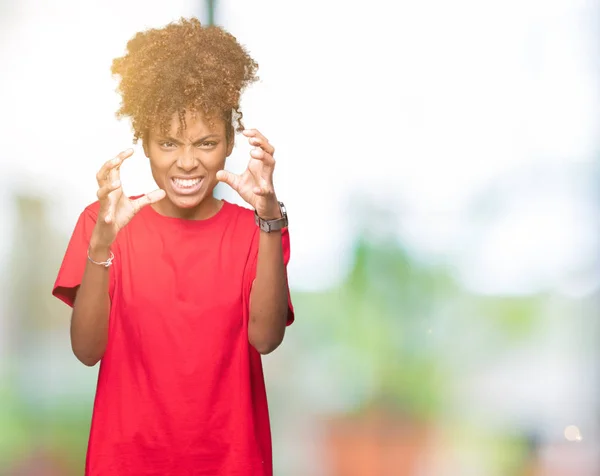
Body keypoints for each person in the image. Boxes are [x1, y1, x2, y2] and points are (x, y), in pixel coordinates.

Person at [52, 18, 294, 476]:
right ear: (143, 143)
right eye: (168, 142)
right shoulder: (104, 222)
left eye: (206, 143)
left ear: (228, 147)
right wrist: (102, 244)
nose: (187, 161)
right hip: (124, 462)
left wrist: (269, 219)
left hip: (231, 462)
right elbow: (86, 350)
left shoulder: (259, 229)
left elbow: (266, 338)